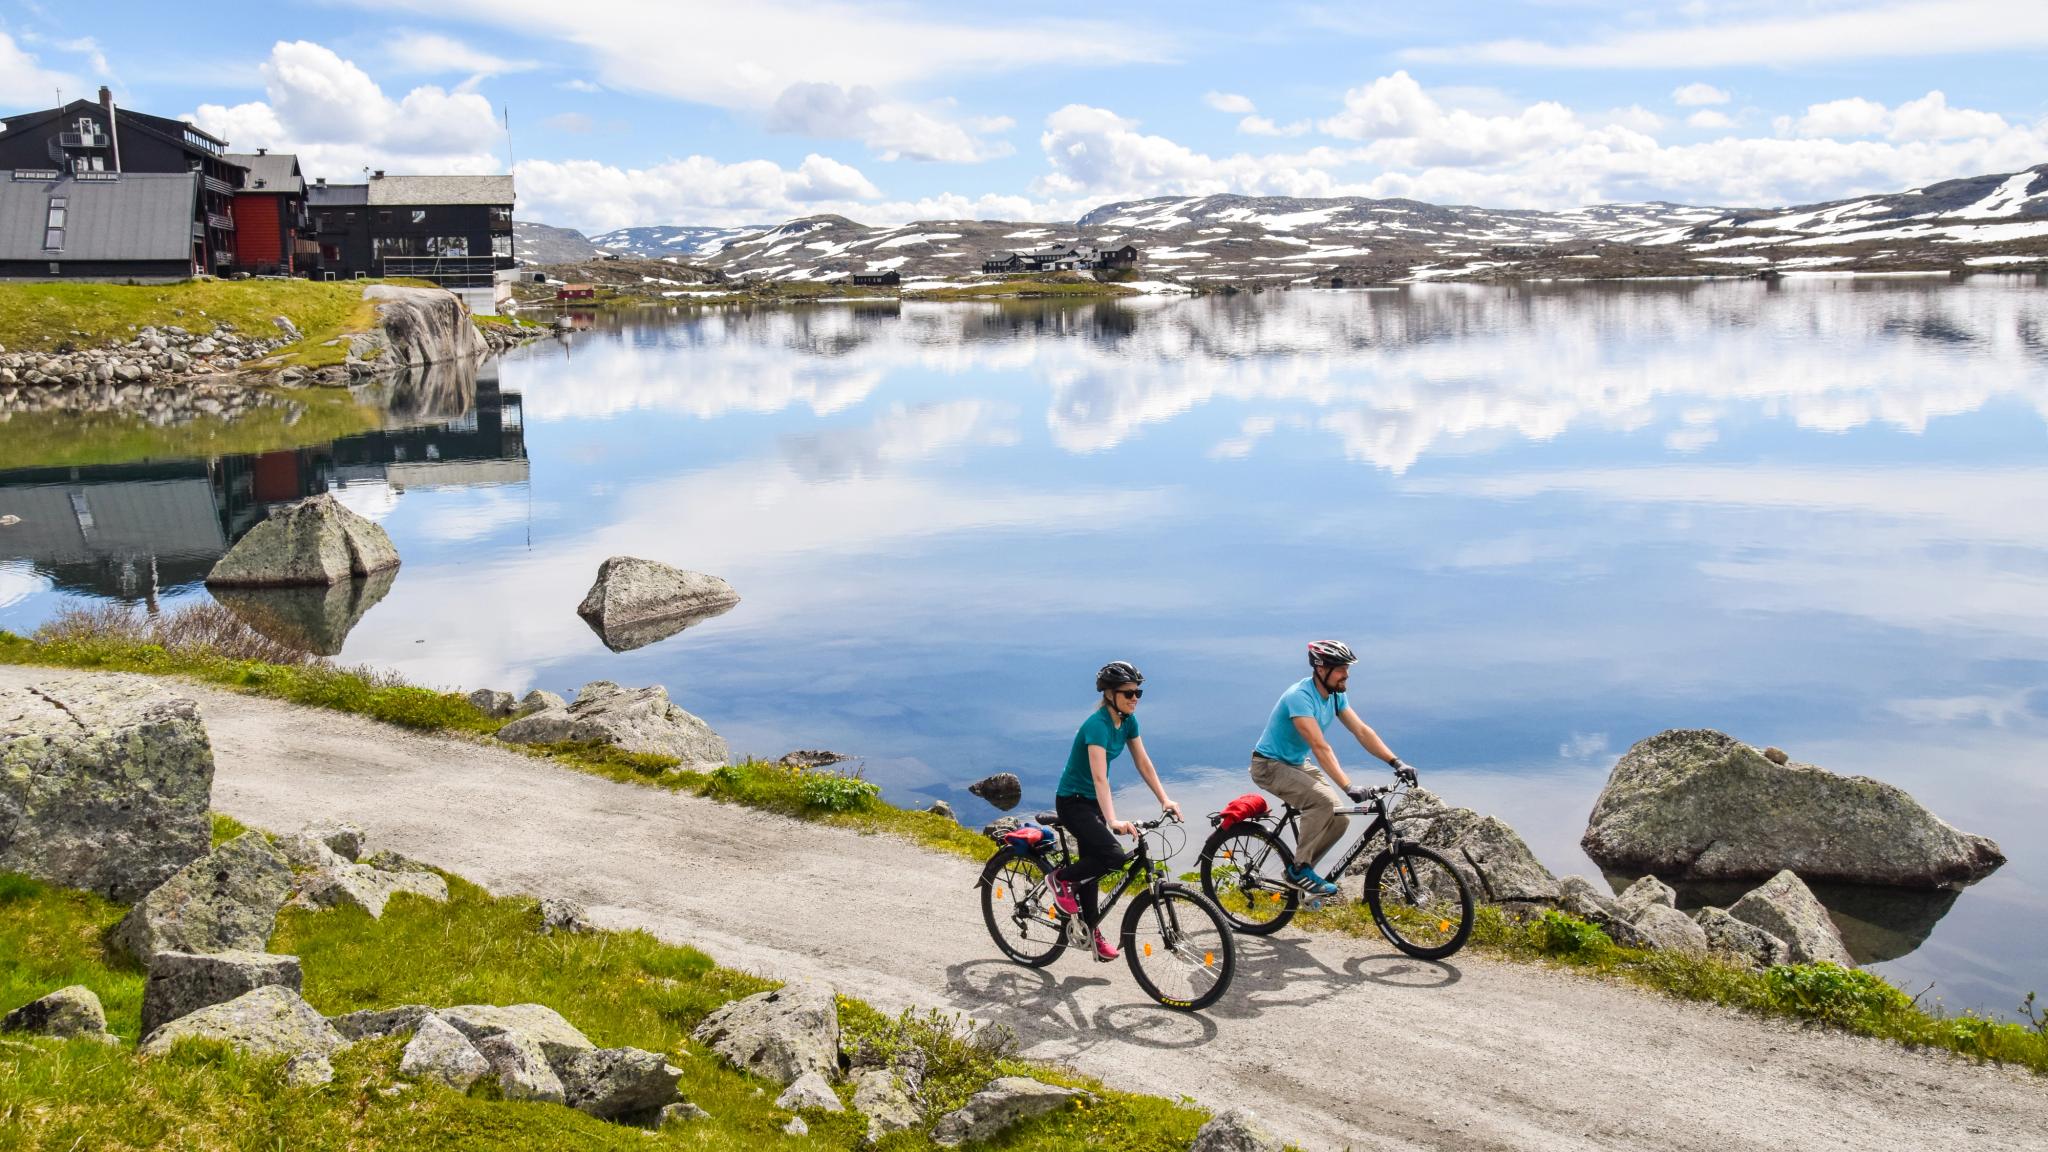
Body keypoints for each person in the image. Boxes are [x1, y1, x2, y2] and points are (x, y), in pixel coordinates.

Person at [1249, 640, 1416, 897]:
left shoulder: (1336, 695)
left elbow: (1361, 731)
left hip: (1295, 763)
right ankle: (1299, 870)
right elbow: (1319, 747)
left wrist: (1396, 762)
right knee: (1323, 802)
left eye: (1347, 669)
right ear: (1321, 668)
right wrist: (1348, 786)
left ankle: (1303, 877)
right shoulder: (1300, 697)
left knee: (1341, 817)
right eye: (1341, 669)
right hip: (1269, 765)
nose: (1346, 675)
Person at [1049, 661, 1184, 961]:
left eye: (1138, 692)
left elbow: (1143, 763)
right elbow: (1100, 778)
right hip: (1072, 801)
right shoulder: (1096, 725)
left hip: (1092, 802)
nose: (1135, 698)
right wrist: (1112, 820)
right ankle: (1060, 879)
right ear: (1110, 694)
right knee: (1111, 856)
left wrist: (1165, 799)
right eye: (1128, 693)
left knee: (1094, 866)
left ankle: (1090, 929)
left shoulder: (1128, 721)